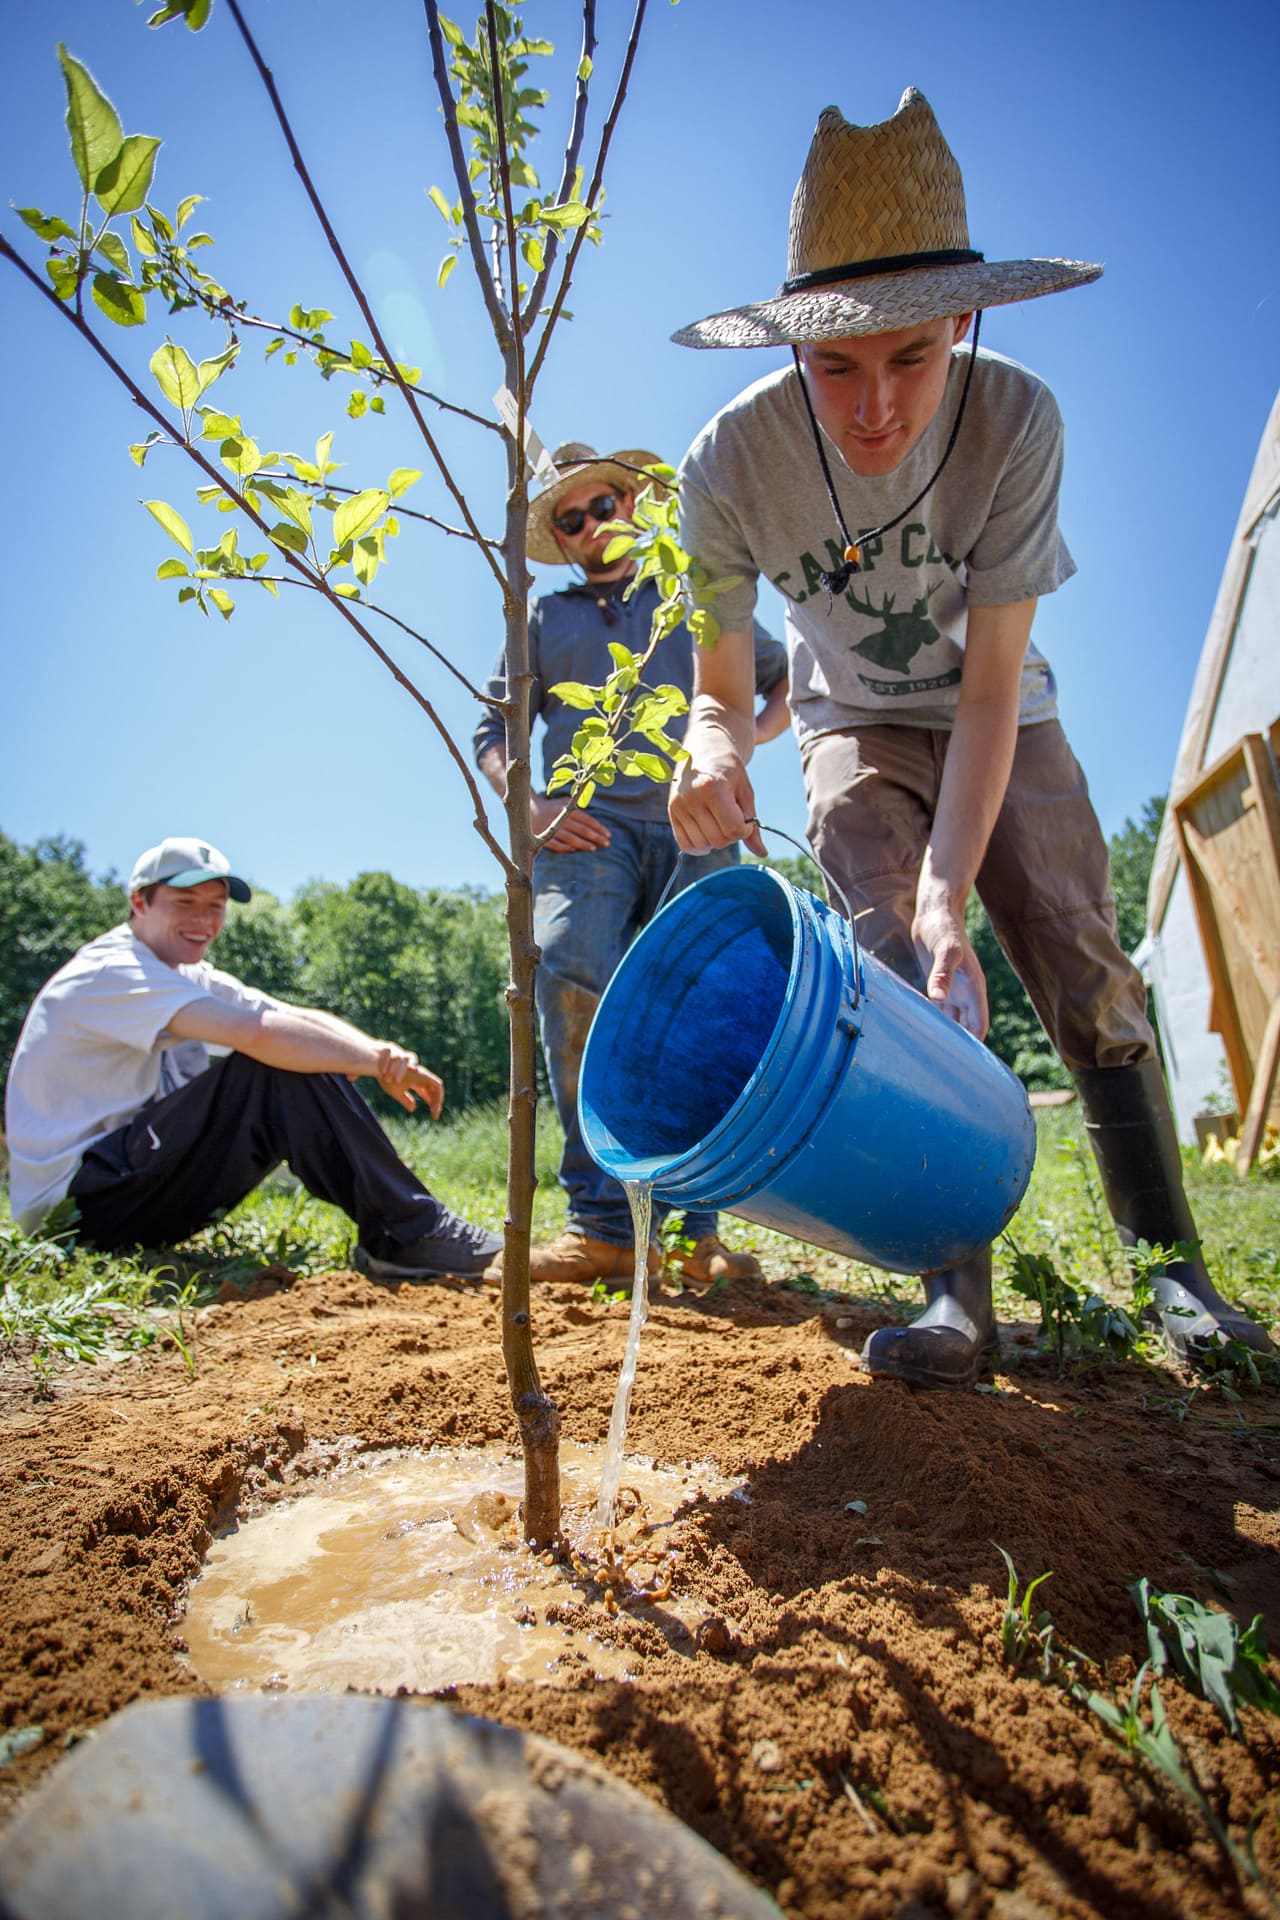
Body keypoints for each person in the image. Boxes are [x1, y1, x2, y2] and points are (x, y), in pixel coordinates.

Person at [665, 88, 1274, 1384]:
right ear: (788, 350)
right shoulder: (724, 465)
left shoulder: (1018, 424)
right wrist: (712, 753)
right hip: (854, 720)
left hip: (1009, 716)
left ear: (963, 318)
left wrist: (960, 894)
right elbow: (723, 694)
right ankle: (958, 1297)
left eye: (909, 358)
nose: (873, 407)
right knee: (887, 962)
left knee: (1083, 962)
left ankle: (1173, 1267)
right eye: (835, 366)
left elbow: (991, 689)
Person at [474, 443, 789, 1288]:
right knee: (569, 971)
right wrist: (532, 809)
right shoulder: (544, 621)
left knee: (706, 1005)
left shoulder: (686, 590)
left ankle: (695, 1232)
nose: (587, 528)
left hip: (698, 824)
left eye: (601, 507)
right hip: (590, 832)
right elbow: (494, 733)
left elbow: (782, 678)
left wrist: (734, 753)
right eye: (568, 520)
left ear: (635, 505)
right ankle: (607, 1228)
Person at [4, 836, 502, 1281]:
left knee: (293, 1051)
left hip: (129, 1190)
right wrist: (373, 1064)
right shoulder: (113, 971)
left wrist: (382, 1054)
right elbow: (257, 1033)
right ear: (139, 901)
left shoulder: (180, 972)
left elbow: (285, 1014)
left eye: (215, 906)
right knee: (272, 1063)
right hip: (76, 1210)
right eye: (185, 903)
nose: (204, 921)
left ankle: (406, 1232)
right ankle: (410, 1233)